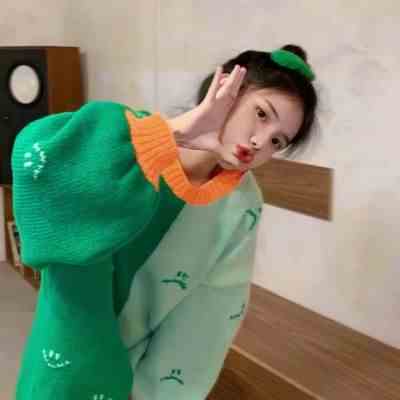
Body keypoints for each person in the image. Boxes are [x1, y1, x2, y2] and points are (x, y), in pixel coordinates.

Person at [12, 44, 318, 400]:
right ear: (227, 90)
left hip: (133, 379)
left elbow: (209, 317)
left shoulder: (241, 206)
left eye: (278, 141)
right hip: (63, 353)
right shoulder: (131, 138)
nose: (259, 141)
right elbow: (35, 159)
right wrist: (171, 134)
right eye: (261, 114)